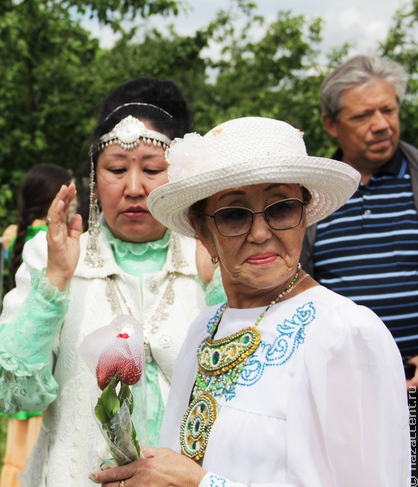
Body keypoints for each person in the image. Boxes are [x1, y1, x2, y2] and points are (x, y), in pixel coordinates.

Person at [96, 116, 409, 486]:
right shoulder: (205, 327)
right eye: (233, 215)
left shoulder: (345, 333)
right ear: (202, 232)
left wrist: (201, 484)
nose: (261, 233)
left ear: (304, 214)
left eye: (281, 208)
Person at [0, 77, 208, 485]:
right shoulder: (54, 257)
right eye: (116, 169)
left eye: (152, 169)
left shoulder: (209, 255)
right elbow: (4, 391)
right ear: (95, 178)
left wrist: (218, 286)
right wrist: (56, 282)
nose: (134, 188)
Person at [300, 55, 418, 378]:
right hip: (344, 386)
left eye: (388, 110)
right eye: (364, 115)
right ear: (331, 124)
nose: (381, 125)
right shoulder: (311, 195)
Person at [0, 162, 74, 487]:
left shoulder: (15, 235)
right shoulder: (50, 242)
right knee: (34, 445)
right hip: (42, 353)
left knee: (18, 445)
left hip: (22, 348)